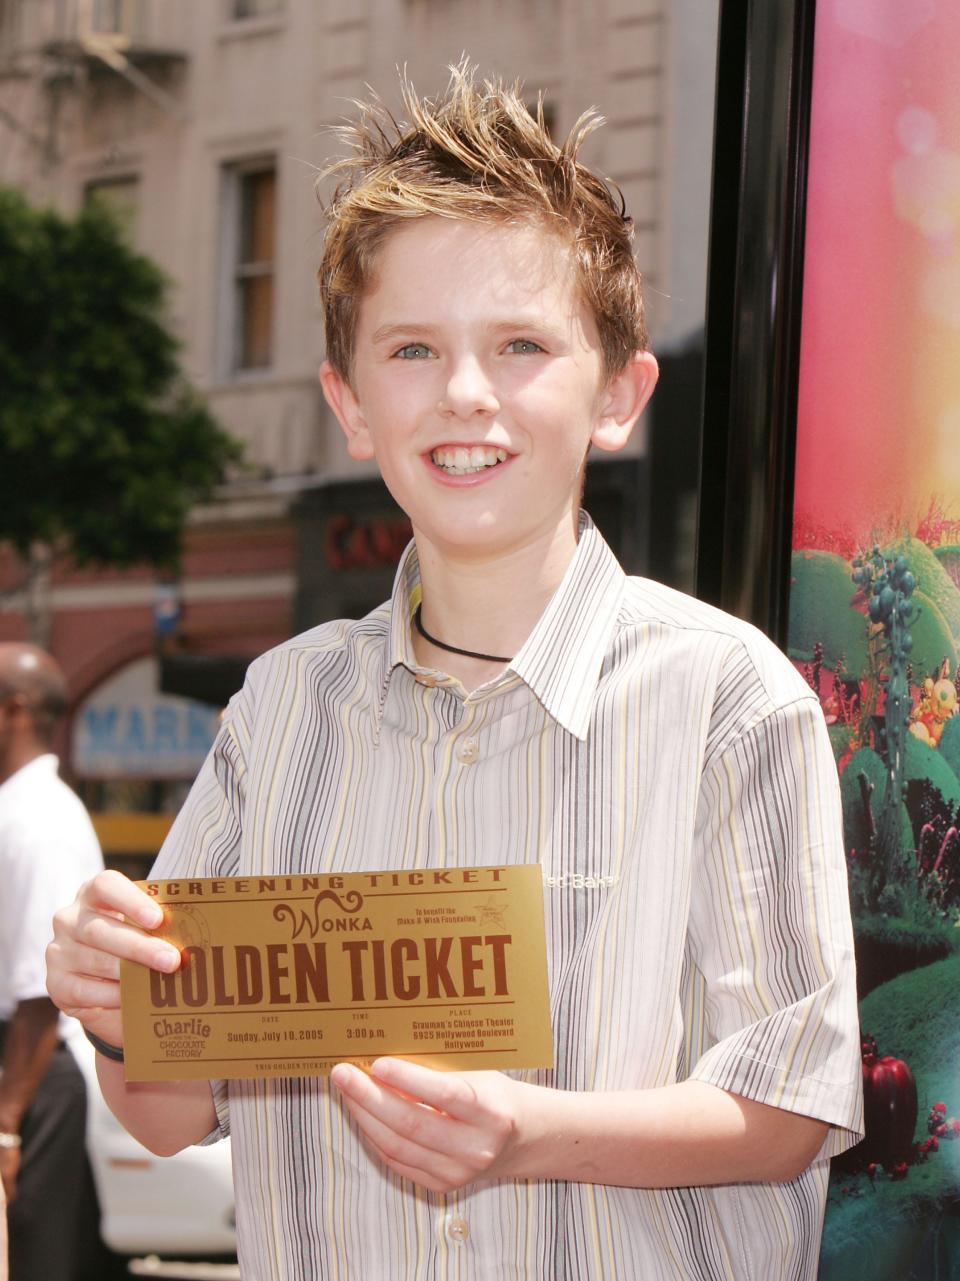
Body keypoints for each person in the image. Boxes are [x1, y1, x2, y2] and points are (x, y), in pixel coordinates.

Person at [47, 66, 863, 1279]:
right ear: (351, 404)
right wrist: (118, 1020)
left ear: (619, 395)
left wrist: (533, 1135)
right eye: (414, 349)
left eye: (523, 344)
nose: (466, 395)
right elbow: (173, 1116)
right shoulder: (280, 713)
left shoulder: (726, 699)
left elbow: (795, 1105)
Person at [0, 644, 104, 1280]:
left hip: (32, 1074)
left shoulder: (40, 818)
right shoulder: (19, 808)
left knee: (34, 1258)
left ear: (14, 710)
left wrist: (8, 1125)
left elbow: (43, 989)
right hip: (23, 1069)